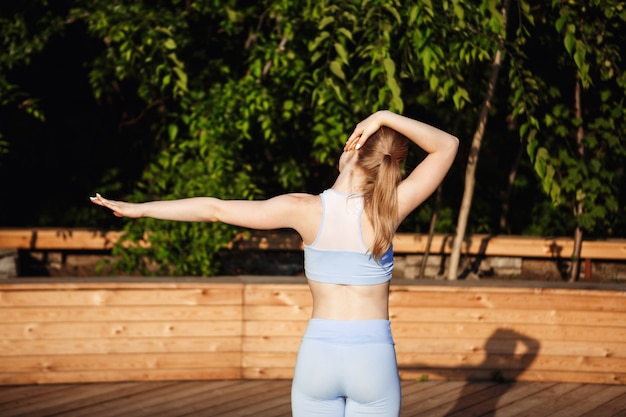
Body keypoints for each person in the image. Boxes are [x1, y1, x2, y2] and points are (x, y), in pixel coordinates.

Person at [90, 109, 459, 417]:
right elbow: (447, 145)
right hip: (372, 360)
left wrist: (139, 210)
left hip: (318, 358)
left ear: (353, 149)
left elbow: (214, 209)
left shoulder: (303, 209)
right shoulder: (390, 209)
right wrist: (383, 116)